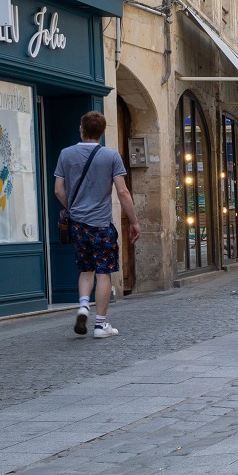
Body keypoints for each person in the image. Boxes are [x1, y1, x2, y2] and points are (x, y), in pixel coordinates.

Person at [54, 111, 140, 339]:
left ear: (81, 129)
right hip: (102, 225)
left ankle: (83, 305)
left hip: (78, 225)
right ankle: (100, 325)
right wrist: (133, 221)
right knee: (103, 273)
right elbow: (122, 192)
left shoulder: (66, 154)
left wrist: (72, 207)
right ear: (102, 132)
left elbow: (58, 189)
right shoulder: (111, 156)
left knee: (85, 269)